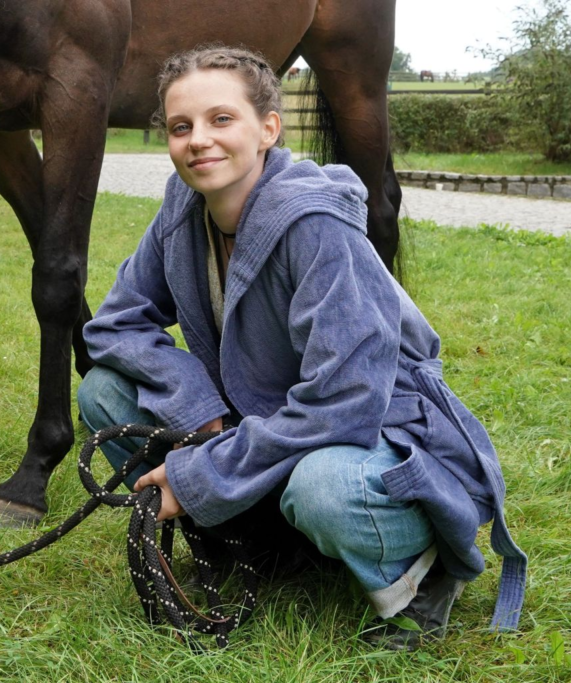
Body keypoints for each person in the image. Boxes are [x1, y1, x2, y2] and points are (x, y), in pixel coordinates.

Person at [77, 46, 526, 650]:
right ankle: (260, 543)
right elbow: (113, 325)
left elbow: (347, 401)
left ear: (268, 129)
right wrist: (195, 405)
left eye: (221, 119)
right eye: (181, 127)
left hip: (371, 428)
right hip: (266, 416)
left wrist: (207, 471)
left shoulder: (316, 223)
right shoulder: (182, 209)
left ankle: (417, 576)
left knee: (324, 489)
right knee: (105, 392)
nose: (199, 140)